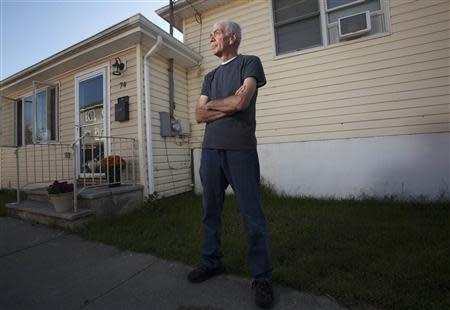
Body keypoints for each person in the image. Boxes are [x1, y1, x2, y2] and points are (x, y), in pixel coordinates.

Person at [187, 21, 274, 309]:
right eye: (211, 33)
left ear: (232, 37)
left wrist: (216, 105)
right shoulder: (210, 76)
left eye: (217, 32)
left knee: (253, 216)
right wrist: (224, 103)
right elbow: (199, 115)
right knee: (210, 212)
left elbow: (242, 102)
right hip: (210, 152)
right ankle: (212, 262)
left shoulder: (250, 63)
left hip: (241, 151)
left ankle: (262, 278)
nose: (211, 37)